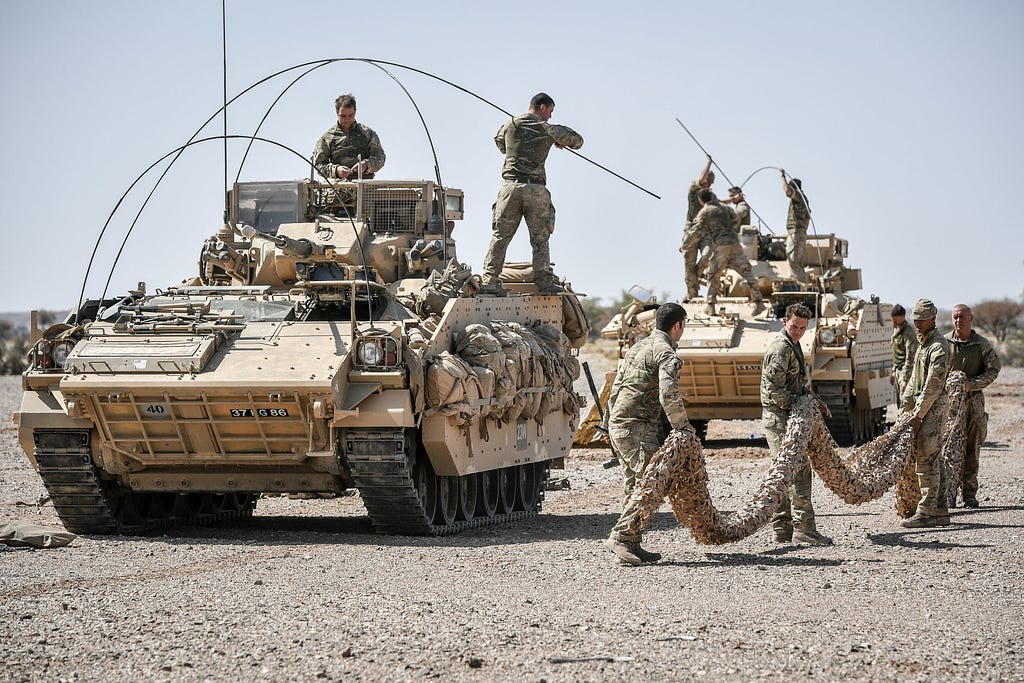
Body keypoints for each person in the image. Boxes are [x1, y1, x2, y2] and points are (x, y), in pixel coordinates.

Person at [605, 303, 695, 565]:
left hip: (622, 425)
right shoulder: (665, 352)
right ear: (677, 325)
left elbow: (615, 387)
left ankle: (631, 543)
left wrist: (611, 424)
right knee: (649, 485)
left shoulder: (638, 347)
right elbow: (668, 394)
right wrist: (682, 426)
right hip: (638, 426)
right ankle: (621, 538)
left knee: (636, 485)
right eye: (683, 325)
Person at [480, 93, 584, 296]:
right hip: (535, 189)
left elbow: (501, 144)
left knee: (500, 235)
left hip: (509, 189)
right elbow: (578, 141)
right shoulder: (548, 129)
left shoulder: (510, 123)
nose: (550, 117)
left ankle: (490, 280)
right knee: (540, 237)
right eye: (550, 111)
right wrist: (556, 140)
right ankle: (544, 282)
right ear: (543, 107)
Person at [761, 303, 833, 545]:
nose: (798, 331)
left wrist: (814, 400)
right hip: (779, 416)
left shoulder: (793, 345)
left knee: (783, 471)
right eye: (794, 326)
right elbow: (774, 391)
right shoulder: (781, 349)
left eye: (803, 328)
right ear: (784, 321)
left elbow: (796, 385)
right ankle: (804, 529)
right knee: (798, 469)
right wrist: (800, 403)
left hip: (785, 413)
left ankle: (783, 529)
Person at [900, 299, 951, 528]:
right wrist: (905, 407)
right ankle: (940, 511)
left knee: (926, 460)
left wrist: (918, 414)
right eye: (916, 320)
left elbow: (933, 384)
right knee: (933, 459)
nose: (917, 324)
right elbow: (914, 379)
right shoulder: (924, 344)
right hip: (922, 407)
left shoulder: (938, 347)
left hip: (932, 408)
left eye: (922, 320)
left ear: (933, 319)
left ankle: (926, 513)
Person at [946, 304, 1001, 507]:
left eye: (962, 317)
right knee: (949, 449)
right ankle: (948, 495)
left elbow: (994, 369)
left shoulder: (981, 344)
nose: (958, 321)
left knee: (972, 447)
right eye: (955, 317)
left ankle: (969, 494)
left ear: (971, 319)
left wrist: (973, 385)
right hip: (950, 405)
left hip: (974, 402)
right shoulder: (945, 343)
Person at [691, 189, 764, 316]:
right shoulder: (725, 208)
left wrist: (685, 244)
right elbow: (736, 218)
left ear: (700, 200)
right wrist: (730, 229)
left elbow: (695, 230)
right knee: (746, 271)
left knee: (713, 274)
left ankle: (710, 305)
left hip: (721, 246)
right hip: (735, 243)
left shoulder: (704, 212)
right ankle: (758, 302)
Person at [312, 93, 386, 181]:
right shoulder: (327, 138)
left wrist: (366, 165)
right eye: (343, 116)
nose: (347, 120)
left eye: (350, 115)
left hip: (364, 188)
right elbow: (319, 165)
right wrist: (336, 170)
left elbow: (380, 157)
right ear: (337, 113)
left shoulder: (367, 134)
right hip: (338, 189)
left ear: (355, 112)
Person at [680, 155, 716, 300]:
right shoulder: (694, 188)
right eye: (707, 180)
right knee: (688, 265)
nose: (707, 183)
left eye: (709, 181)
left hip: (705, 231)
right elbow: (700, 180)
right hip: (691, 230)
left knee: (708, 254)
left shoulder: (710, 195)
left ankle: (696, 273)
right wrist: (709, 163)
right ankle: (692, 295)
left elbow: (719, 204)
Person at [780, 169, 810, 283]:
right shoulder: (804, 199)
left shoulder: (797, 196)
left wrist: (783, 177)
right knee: (797, 261)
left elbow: (787, 190)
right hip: (800, 232)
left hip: (796, 232)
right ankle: (801, 283)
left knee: (793, 261)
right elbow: (807, 218)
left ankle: (800, 286)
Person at [890, 304, 919, 394]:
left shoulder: (908, 333)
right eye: (892, 318)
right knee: (899, 402)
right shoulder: (896, 330)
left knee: (905, 401)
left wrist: (905, 379)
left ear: (902, 317)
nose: (893, 321)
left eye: (895, 318)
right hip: (898, 370)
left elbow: (910, 357)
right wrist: (894, 371)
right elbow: (896, 352)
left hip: (905, 371)